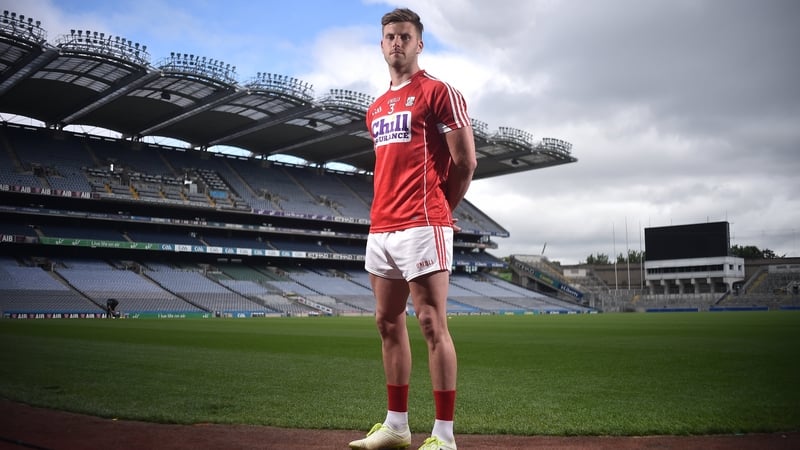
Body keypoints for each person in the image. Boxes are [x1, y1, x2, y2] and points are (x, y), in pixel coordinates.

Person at [349, 8, 477, 450]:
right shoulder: (374, 109)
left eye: (405, 36)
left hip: (423, 223)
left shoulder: (439, 93)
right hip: (381, 225)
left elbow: (466, 162)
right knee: (387, 323)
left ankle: (443, 436)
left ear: (419, 43)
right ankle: (397, 427)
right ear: (381, 44)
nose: (397, 43)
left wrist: (442, 208)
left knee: (430, 322)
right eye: (390, 36)